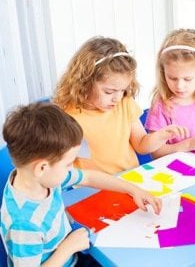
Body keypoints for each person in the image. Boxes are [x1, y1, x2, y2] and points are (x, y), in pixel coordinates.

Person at [0, 102, 162, 266]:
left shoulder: (40, 179)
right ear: (42, 167)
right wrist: (68, 248)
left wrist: (133, 190)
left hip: (73, 249)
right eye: (68, 163)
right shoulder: (23, 225)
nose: (71, 168)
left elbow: (88, 177)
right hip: (68, 256)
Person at [53, 36, 188, 174]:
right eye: (109, 91)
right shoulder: (66, 116)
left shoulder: (125, 103)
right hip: (92, 186)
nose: (117, 98)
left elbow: (141, 144)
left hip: (129, 178)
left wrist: (162, 135)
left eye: (123, 90)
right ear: (84, 82)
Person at [145, 28, 195, 158]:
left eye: (188, 79)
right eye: (172, 78)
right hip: (175, 171)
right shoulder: (161, 106)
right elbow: (156, 153)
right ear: (163, 73)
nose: (180, 86)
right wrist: (187, 145)